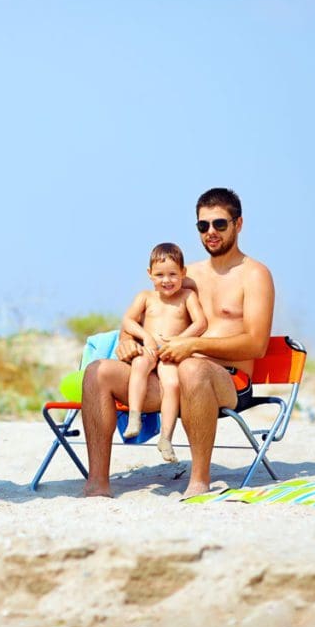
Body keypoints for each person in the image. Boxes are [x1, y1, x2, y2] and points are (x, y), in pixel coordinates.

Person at [81, 187, 275, 498]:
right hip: (169, 375)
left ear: (238, 225)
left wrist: (193, 347)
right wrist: (127, 338)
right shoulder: (186, 275)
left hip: (227, 380)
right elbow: (149, 313)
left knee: (193, 369)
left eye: (220, 224)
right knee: (97, 372)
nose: (211, 232)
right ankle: (97, 485)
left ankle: (199, 481)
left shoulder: (254, 275)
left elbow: (256, 345)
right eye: (203, 225)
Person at [119, 242, 206, 464]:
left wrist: (180, 340)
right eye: (159, 275)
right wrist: (145, 336)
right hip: (150, 348)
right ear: (149, 274)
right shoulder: (146, 297)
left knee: (172, 384)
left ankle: (166, 438)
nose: (166, 280)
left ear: (183, 273)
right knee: (139, 366)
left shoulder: (187, 296)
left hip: (170, 351)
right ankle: (134, 417)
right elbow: (128, 320)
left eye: (172, 274)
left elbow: (200, 323)